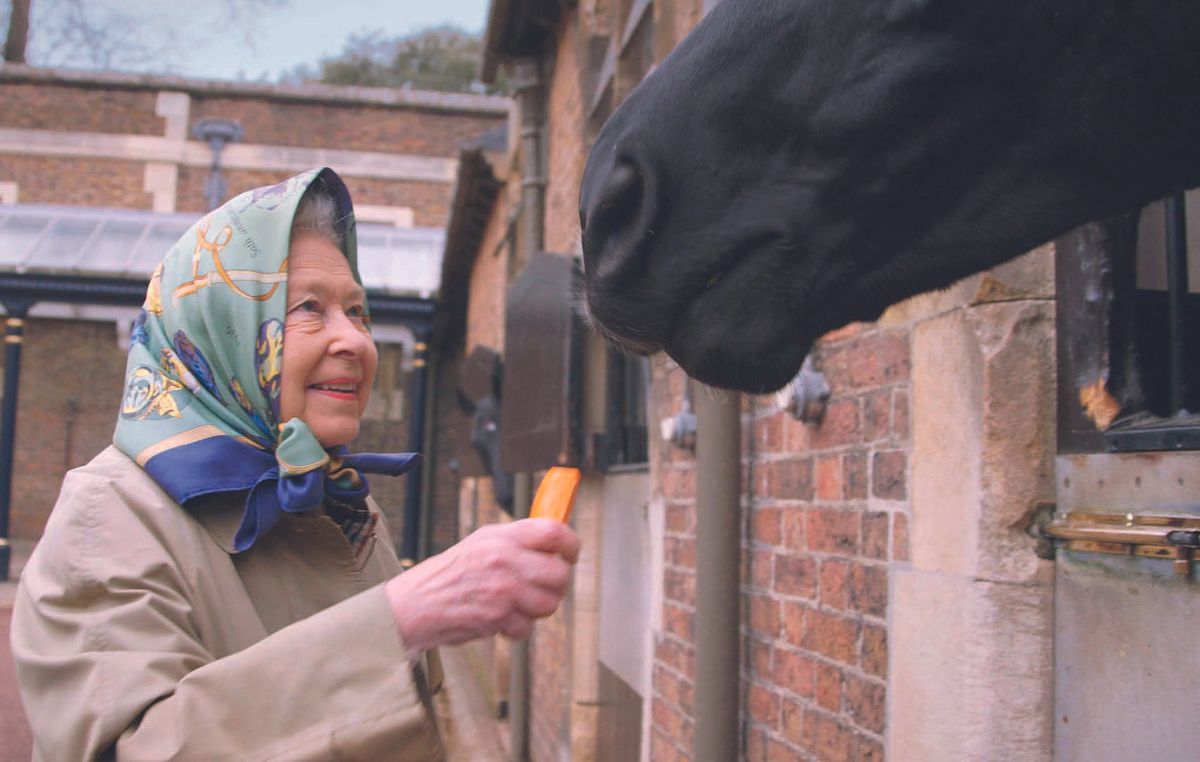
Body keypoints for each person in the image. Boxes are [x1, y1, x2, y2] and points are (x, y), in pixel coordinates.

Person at [10, 168, 579, 760]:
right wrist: (402, 619)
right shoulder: (108, 516)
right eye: (310, 308)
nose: (357, 342)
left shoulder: (335, 496)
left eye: (357, 311)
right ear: (219, 330)